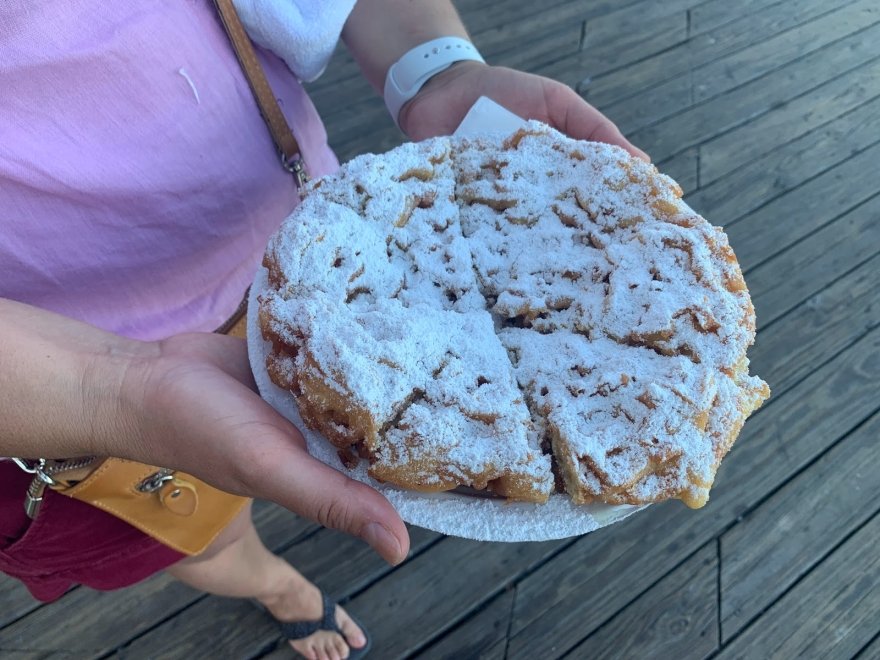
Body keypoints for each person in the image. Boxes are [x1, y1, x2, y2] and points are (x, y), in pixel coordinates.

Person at [0, 1, 646, 658]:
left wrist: (434, 68)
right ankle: (278, 588)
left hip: (330, 268)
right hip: (49, 383)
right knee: (196, 534)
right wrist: (111, 390)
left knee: (232, 495)